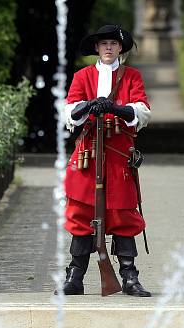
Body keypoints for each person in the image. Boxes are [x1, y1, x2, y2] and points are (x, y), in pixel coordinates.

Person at [60, 24, 152, 297]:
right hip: (88, 156)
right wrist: (88, 106)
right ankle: (75, 277)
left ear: (120, 48)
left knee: (123, 214)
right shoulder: (82, 76)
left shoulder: (132, 76)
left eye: (113, 43)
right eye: (104, 44)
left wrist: (116, 108)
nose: (109, 48)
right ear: (97, 49)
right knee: (81, 214)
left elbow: (143, 112)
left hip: (118, 156)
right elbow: (69, 113)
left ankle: (129, 278)